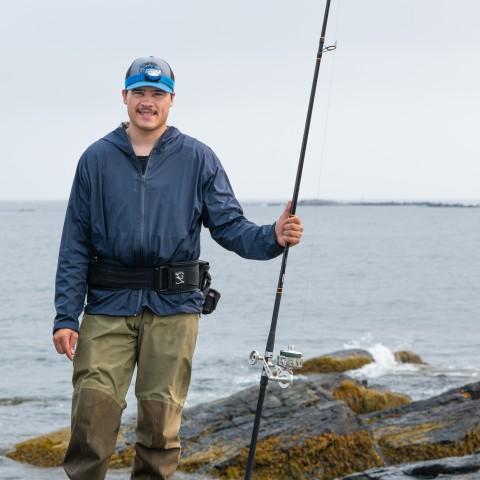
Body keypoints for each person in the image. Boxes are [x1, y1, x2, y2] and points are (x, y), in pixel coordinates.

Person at [53, 56, 303, 480]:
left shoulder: (198, 158)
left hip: (175, 309)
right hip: (107, 307)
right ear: (124, 97)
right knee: (91, 422)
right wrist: (65, 315)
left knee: (159, 428)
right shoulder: (95, 159)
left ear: (171, 100)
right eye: (139, 93)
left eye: (157, 94)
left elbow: (229, 226)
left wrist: (272, 237)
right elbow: (75, 242)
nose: (147, 102)